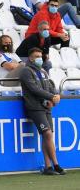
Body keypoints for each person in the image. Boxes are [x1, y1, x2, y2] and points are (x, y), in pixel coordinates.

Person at [18, 47, 65, 176]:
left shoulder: (43, 71)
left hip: (46, 106)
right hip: (35, 107)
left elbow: (50, 86)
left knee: (47, 135)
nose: (39, 58)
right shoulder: (26, 71)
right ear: (30, 58)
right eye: (36, 56)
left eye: (40, 56)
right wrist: (51, 97)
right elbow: (34, 89)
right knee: (48, 134)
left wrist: (55, 96)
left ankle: (48, 166)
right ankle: (56, 165)